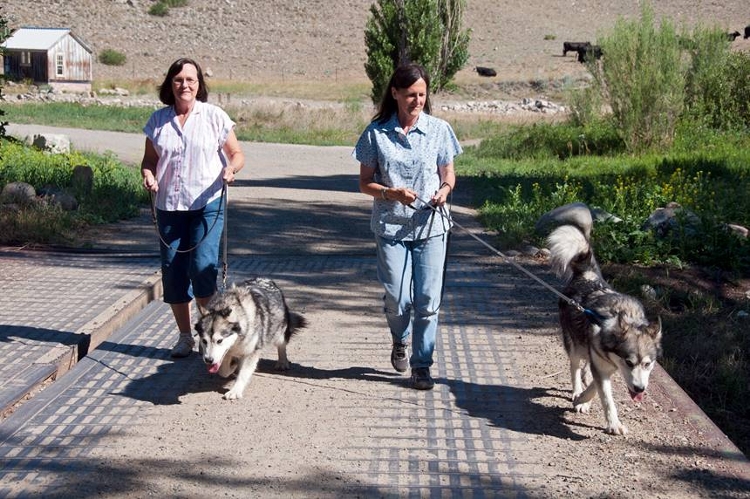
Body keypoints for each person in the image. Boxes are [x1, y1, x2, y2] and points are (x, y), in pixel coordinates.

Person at [353, 63, 462, 390]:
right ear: (395, 94)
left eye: (422, 95)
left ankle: (422, 364)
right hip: (390, 228)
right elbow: (363, 183)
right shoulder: (375, 134)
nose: (417, 101)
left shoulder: (439, 129)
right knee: (398, 298)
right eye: (411, 95)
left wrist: (444, 191)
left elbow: (448, 174)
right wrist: (391, 193)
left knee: (428, 300)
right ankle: (399, 338)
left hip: (431, 226)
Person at [141, 57, 245, 358]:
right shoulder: (158, 121)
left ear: (199, 84)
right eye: (178, 80)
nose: (184, 85)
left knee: (202, 268)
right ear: (170, 84)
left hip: (207, 203)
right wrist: (148, 173)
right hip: (169, 207)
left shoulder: (214, 117)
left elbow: (236, 153)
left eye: (190, 80)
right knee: (173, 273)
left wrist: (231, 170)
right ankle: (186, 337)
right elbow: (150, 160)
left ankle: (210, 333)